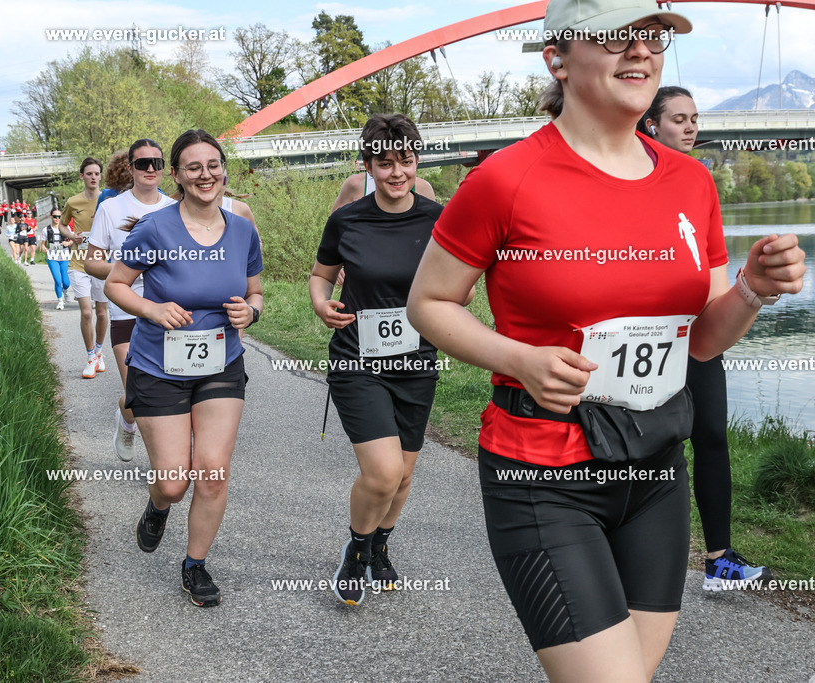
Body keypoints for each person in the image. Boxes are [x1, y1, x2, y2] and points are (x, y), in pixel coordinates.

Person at [405, 0, 806, 678]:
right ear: (556, 58)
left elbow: (701, 343)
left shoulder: (691, 182)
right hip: (542, 473)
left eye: (651, 37)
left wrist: (752, 291)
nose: (641, 51)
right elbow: (429, 303)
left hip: (653, 471)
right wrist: (517, 358)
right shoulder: (505, 179)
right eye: (616, 36)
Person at [103, 129, 263, 608]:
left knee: (212, 472)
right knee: (173, 481)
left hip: (221, 363)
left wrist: (251, 312)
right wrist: (152, 310)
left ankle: (195, 565)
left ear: (223, 169)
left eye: (212, 164)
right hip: (158, 364)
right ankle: (158, 506)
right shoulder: (156, 227)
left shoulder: (242, 229)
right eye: (193, 167)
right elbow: (116, 285)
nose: (205, 174)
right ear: (177, 175)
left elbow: (255, 292)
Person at [639, 86, 773, 590]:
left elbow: (713, 265)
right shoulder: (628, 175)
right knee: (655, 443)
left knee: (712, 437)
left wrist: (745, 296)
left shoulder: (699, 181)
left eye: (695, 118)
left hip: (697, 336)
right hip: (646, 339)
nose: (691, 127)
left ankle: (720, 559)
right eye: (679, 119)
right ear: (651, 124)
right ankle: (640, 555)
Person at [308, 113, 444, 607]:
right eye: (384, 163)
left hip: (417, 361)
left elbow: (458, 282)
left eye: (405, 161)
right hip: (356, 360)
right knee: (383, 472)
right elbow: (321, 275)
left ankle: (381, 544)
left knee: (404, 474)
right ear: (367, 165)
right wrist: (321, 303)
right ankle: (357, 548)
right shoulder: (348, 218)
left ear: (415, 161)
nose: (396, 173)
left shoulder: (438, 217)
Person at [87, 139, 176, 463]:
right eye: (143, 163)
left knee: (167, 389)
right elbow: (92, 262)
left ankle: (161, 466)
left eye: (157, 162)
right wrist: (128, 271)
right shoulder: (111, 208)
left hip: (167, 311)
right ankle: (127, 423)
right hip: (126, 310)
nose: (150, 169)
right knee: (139, 391)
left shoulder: (175, 208)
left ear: (165, 168)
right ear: (130, 168)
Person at [60, 157, 107, 379]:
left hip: (101, 262)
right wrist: (71, 236)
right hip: (78, 262)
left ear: (101, 176)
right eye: (89, 173)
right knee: (87, 313)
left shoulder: (108, 199)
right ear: (82, 176)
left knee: (102, 312)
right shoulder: (73, 202)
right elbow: (61, 224)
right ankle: (90, 357)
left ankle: (99, 351)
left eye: (97, 173)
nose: (93, 177)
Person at [43, 210, 72, 310]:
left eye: (59, 216)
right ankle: (60, 301)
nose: (57, 219)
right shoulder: (46, 230)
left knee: (66, 282)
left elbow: (73, 238)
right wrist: (44, 248)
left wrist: (68, 243)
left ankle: (65, 290)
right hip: (52, 258)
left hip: (64, 257)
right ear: (51, 216)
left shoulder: (66, 228)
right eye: (55, 216)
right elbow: (42, 245)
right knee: (57, 280)